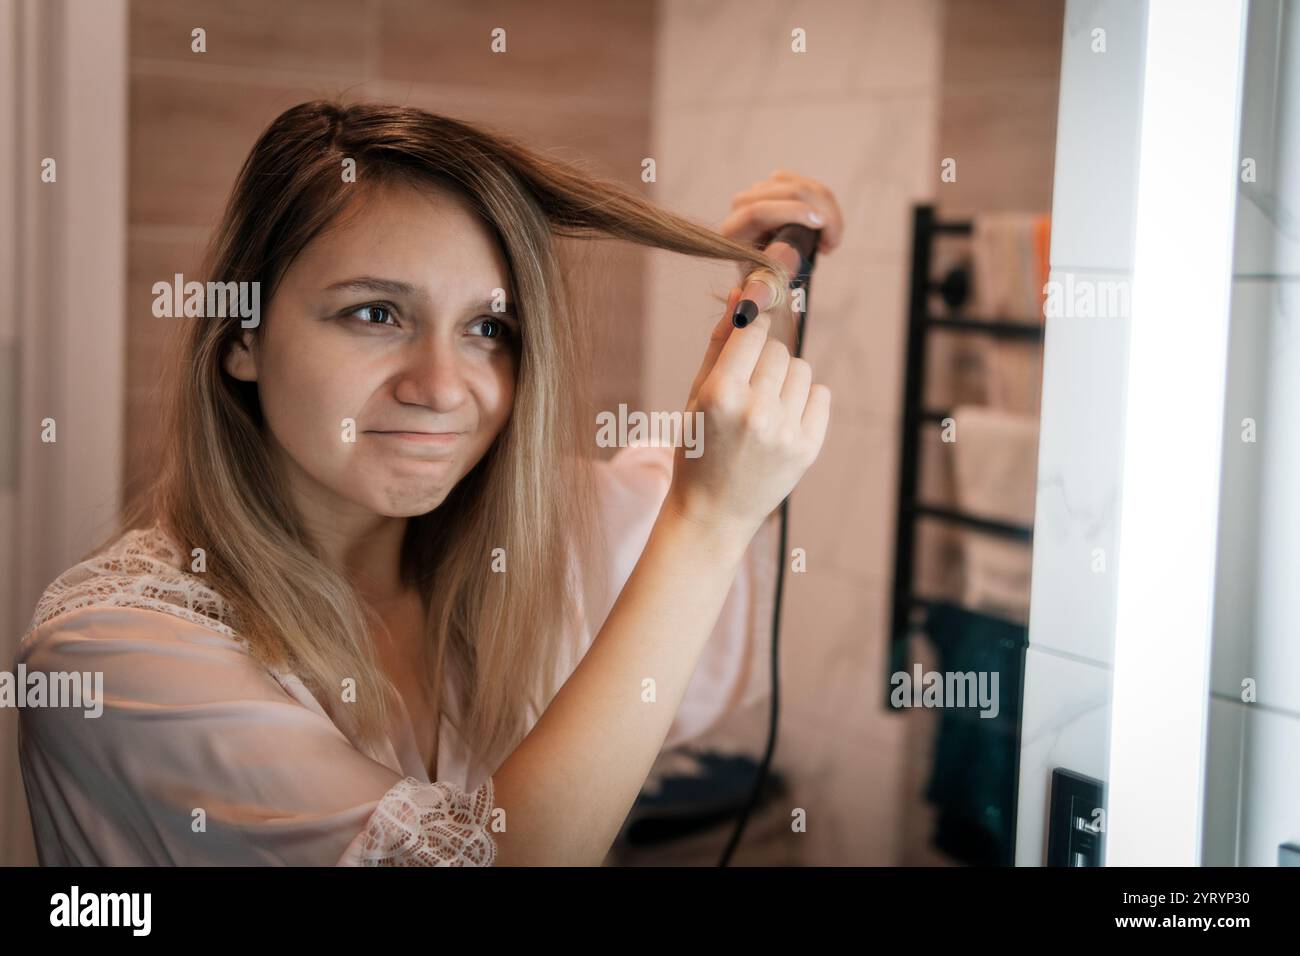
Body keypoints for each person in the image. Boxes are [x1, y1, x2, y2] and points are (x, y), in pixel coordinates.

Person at [14, 101, 842, 866]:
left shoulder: (533, 548)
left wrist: (762, 289)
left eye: (489, 328)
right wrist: (704, 524)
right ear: (242, 337)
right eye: (375, 313)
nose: (443, 388)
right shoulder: (112, 658)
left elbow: (681, 472)